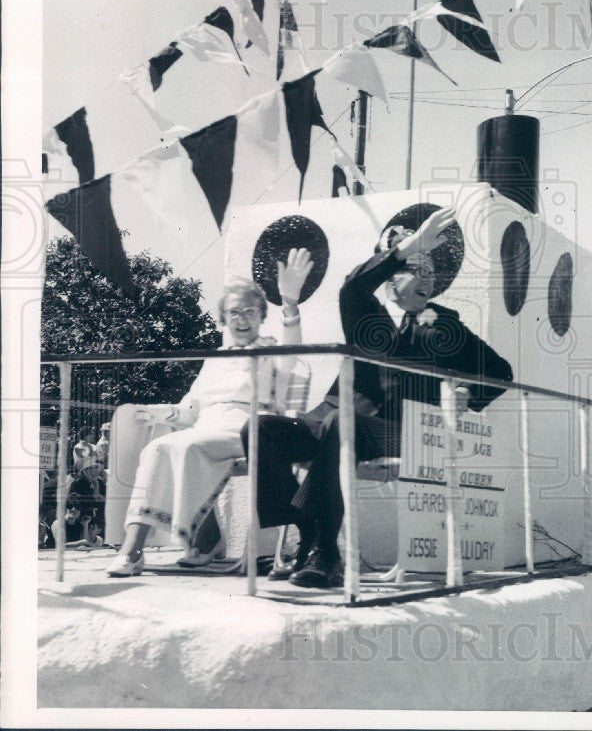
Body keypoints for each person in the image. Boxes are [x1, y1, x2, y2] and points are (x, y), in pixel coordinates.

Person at [243, 206, 514, 588]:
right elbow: (352, 287)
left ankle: (326, 553)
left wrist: (469, 395)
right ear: (390, 280)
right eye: (417, 269)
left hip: (405, 431)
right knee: (261, 429)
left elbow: (502, 373)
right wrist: (406, 248)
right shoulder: (368, 318)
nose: (428, 280)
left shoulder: (445, 325)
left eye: (432, 274)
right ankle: (306, 526)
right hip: (335, 423)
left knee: (343, 425)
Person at [106, 248, 314, 577]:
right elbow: (191, 410)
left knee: (182, 448)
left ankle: (151, 549)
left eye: (250, 311)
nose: (242, 319)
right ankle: (176, 544)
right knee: (157, 446)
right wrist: (155, 412)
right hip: (206, 429)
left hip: (249, 431)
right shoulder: (214, 358)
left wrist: (290, 302)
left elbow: (294, 352)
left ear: (261, 316)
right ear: (224, 319)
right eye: (234, 313)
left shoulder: (273, 350)